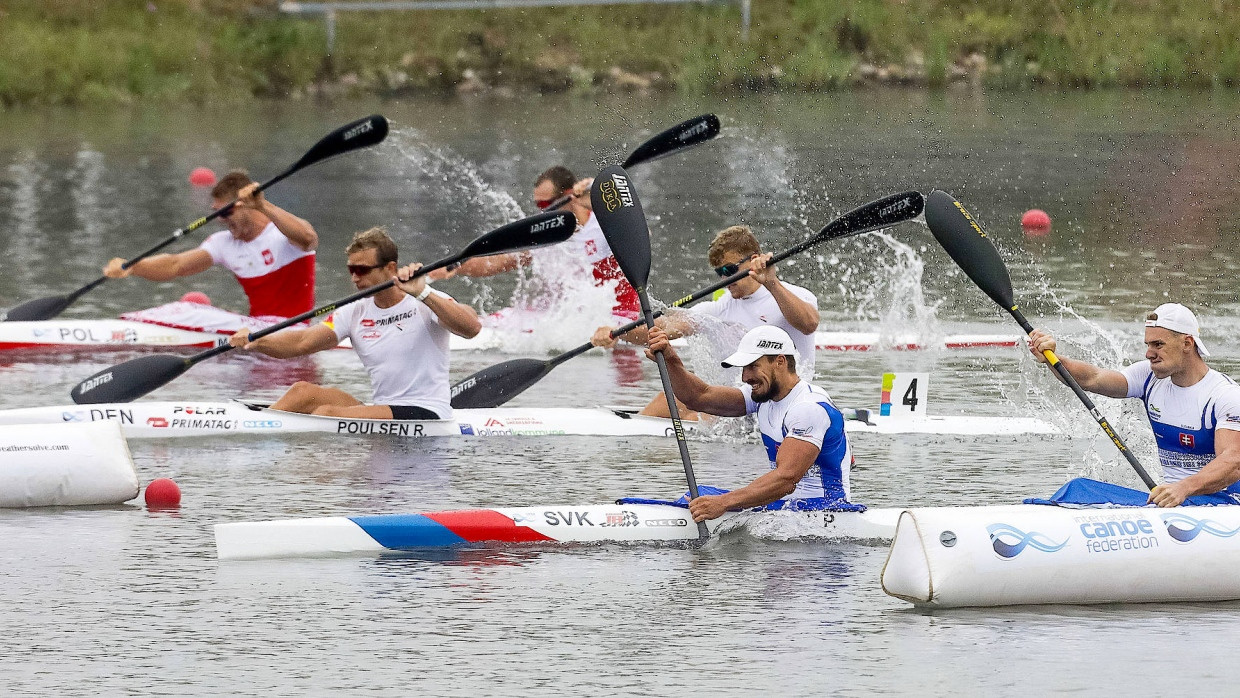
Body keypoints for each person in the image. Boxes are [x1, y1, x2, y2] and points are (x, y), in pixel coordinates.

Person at [228, 227, 481, 420]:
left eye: (362, 270)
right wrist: (257, 340)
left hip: (427, 411)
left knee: (327, 414)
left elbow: (471, 328)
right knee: (302, 391)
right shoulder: (354, 311)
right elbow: (302, 341)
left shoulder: (423, 300)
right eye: (351, 270)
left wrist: (423, 293)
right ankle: (257, 432)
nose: (355, 278)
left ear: (390, 267)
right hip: (383, 409)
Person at [593, 224, 820, 417]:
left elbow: (809, 324)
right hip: (742, 402)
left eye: (730, 269)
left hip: (784, 403)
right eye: (719, 272)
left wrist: (772, 283)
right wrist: (618, 332)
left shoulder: (794, 295)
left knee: (704, 416)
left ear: (753, 261)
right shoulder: (719, 309)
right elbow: (663, 328)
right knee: (673, 398)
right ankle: (637, 433)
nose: (724, 278)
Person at [1028, 303, 1240, 507]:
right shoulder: (1149, 377)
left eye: (1158, 344)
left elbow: (1233, 462)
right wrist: (1051, 358)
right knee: (1078, 488)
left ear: (1187, 343)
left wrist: (1182, 488)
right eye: (1148, 345)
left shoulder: (1224, 395)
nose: (1149, 353)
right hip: (1176, 502)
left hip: (1225, 501)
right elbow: (1091, 378)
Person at [645, 324, 855, 522]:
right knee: (697, 495)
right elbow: (699, 398)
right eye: (744, 368)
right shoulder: (763, 395)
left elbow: (786, 479)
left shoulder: (808, 407)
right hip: (786, 503)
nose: (745, 377)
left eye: (753, 366)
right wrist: (672, 360)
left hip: (825, 508)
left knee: (704, 500)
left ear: (780, 362)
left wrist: (723, 503)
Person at [432, 165, 640, 320]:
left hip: (617, 317)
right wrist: (456, 266)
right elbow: (497, 263)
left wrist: (594, 195)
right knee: (493, 322)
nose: (543, 212)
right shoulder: (546, 234)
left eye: (546, 204)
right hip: (571, 318)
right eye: (538, 205)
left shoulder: (604, 222)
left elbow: (638, 232)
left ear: (569, 196)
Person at [105, 170, 319, 318]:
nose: (221, 219)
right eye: (217, 213)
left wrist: (263, 205)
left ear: (248, 206)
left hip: (294, 330)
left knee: (189, 312)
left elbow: (308, 238)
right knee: (187, 308)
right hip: (258, 330)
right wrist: (133, 267)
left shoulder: (282, 232)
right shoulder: (224, 243)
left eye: (225, 211)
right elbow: (176, 265)